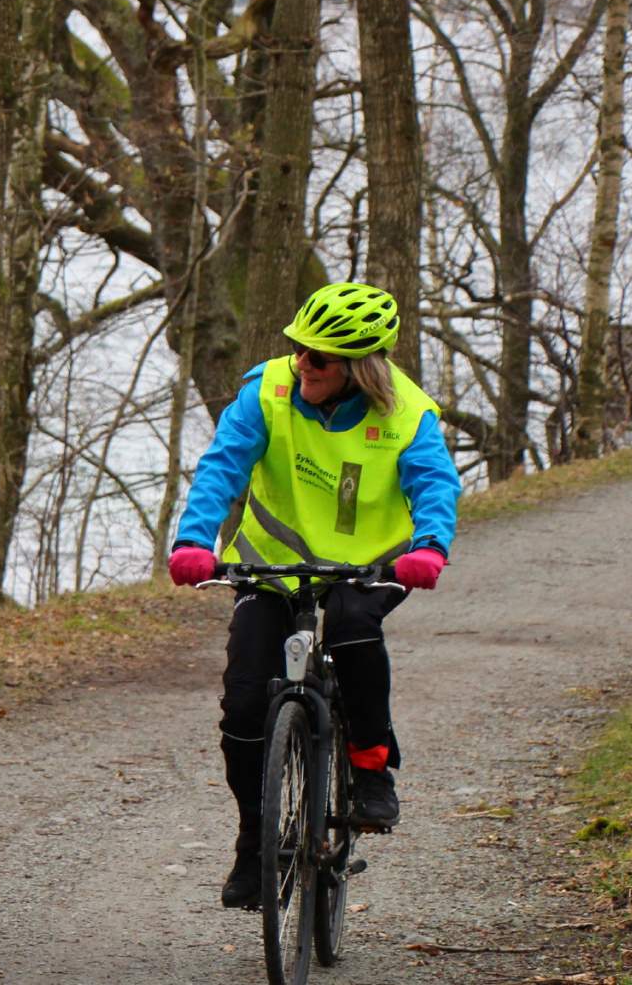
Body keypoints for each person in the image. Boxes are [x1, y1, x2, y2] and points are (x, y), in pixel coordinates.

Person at [165, 282, 462, 910]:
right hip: (271, 565)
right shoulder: (267, 390)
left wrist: (430, 546)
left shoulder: (406, 413)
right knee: (244, 706)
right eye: (300, 350)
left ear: (359, 368)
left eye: (320, 358)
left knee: (354, 627)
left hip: (367, 567)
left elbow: (435, 483)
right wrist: (194, 541)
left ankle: (371, 765)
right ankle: (254, 841)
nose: (303, 364)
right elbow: (223, 466)